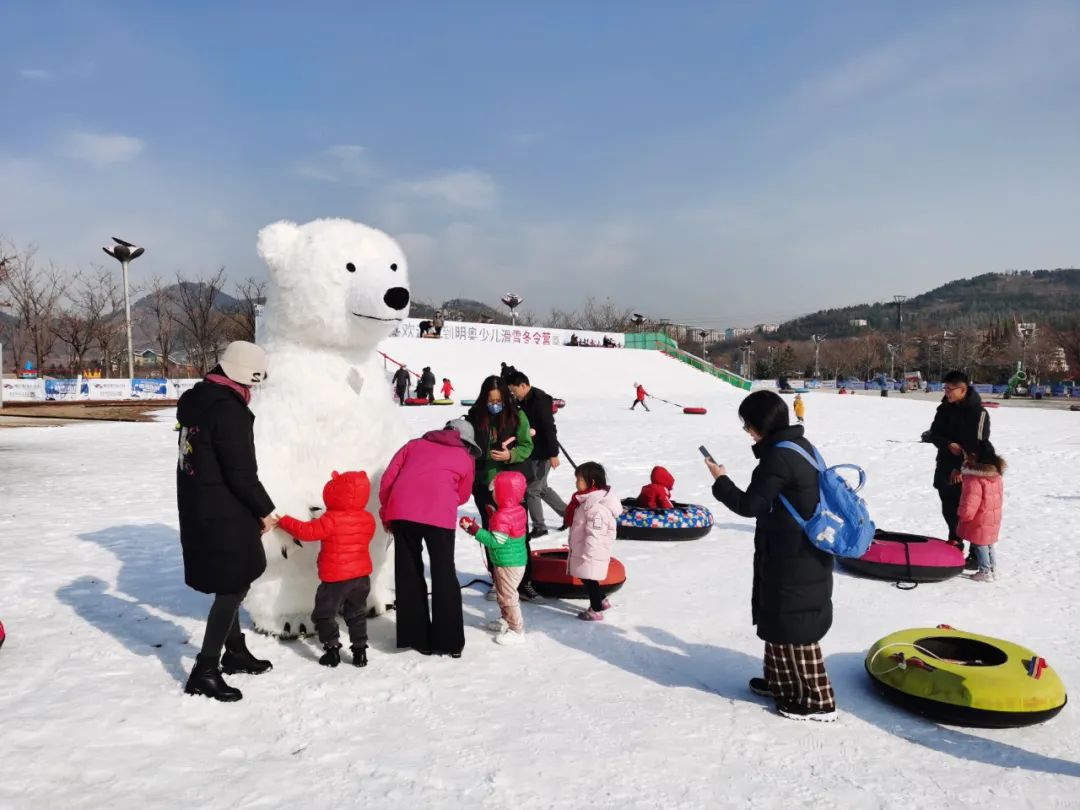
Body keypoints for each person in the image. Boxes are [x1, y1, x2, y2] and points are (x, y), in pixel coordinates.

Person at [706, 390, 837, 722]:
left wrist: (721, 481)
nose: (747, 431)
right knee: (779, 617)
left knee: (797, 623)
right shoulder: (799, 447)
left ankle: (819, 701)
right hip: (791, 549)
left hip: (796, 554)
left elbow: (750, 505)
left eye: (748, 425)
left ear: (760, 424)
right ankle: (781, 682)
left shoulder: (778, 457)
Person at [176, 340, 277, 702]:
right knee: (233, 585)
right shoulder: (229, 411)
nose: (251, 390)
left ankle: (234, 651)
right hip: (225, 509)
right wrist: (266, 510)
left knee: (232, 579)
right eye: (252, 383)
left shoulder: (197, 400)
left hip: (199, 505)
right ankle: (205, 670)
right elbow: (241, 473)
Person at [380, 419, 479, 657]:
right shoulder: (466, 458)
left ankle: (415, 637)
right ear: (464, 440)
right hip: (439, 516)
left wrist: (387, 513)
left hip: (402, 512)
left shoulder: (413, 445)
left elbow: (387, 481)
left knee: (408, 572)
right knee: (444, 573)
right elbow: (463, 495)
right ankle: (449, 642)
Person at [277, 471, 376, 668]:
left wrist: (284, 521)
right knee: (356, 613)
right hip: (361, 577)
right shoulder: (368, 519)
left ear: (336, 492)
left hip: (336, 579)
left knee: (324, 614)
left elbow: (306, 532)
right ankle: (360, 651)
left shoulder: (330, 519)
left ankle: (331, 651)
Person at [465, 375, 541, 601]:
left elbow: (527, 446)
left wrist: (511, 455)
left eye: (498, 400)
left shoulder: (518, 417)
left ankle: (525, 581)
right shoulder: (475, 418)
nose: (494, 404)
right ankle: (497, 578)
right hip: (485, 485)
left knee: (519, 534)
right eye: (491, 400)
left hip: (513, 487)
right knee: (491, 533)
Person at [921, 370, 990, 567]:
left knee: (971, 511)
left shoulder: (979, 412)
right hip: (944, 465)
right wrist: (948, 444)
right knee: (949, 507)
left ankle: (977, 554)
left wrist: (962, 468)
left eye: (951, 389)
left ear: (963, 389)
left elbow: (977, 444)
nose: (947, 392)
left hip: (970, 469)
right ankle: (955, 542)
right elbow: (933, 434)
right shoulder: (943, 409)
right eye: (945, 388)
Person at [459, 471, 529, 645]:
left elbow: (496, 541)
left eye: (496, 492)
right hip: (515, 561)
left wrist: (474, 530)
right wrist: (494, 516)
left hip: (507, 563)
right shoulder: (517, 510)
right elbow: (507, 531)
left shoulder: (502, 516)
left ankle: (516, 629)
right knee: (502, 593)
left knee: (508, 596)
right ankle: (506, 619)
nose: (493, 495)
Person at [505, 371, 567, 539]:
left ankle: (539, 527)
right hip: (533, 451)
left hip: (543, 452)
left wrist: (553, 454)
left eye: (514, 390)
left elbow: (549, 428)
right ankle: (569, 515)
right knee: (542, 488)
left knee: (532, 490)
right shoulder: (525, 400)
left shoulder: (539, 400)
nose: (513, 394)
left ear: (523, 386)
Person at [563, 462, 622, 621]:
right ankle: (602, 600)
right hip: (583, 548)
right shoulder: (586, 501)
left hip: (590, 551)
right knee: (587, 578)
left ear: (592, 482)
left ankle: (596, 609)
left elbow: (596, 534)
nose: (576, 483)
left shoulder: (596, 508)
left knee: (590, 581)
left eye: (579, 480)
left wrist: (589, 554)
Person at [957, 440, 1005, 583]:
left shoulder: (974, 477)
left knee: (980, 544)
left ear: (974, 456)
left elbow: (971, 500)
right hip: (991, 515)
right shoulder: (995, 474)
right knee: (988, 542)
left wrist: (964, 514)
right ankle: (993, 569)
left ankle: (985, 571)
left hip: (979, 517)